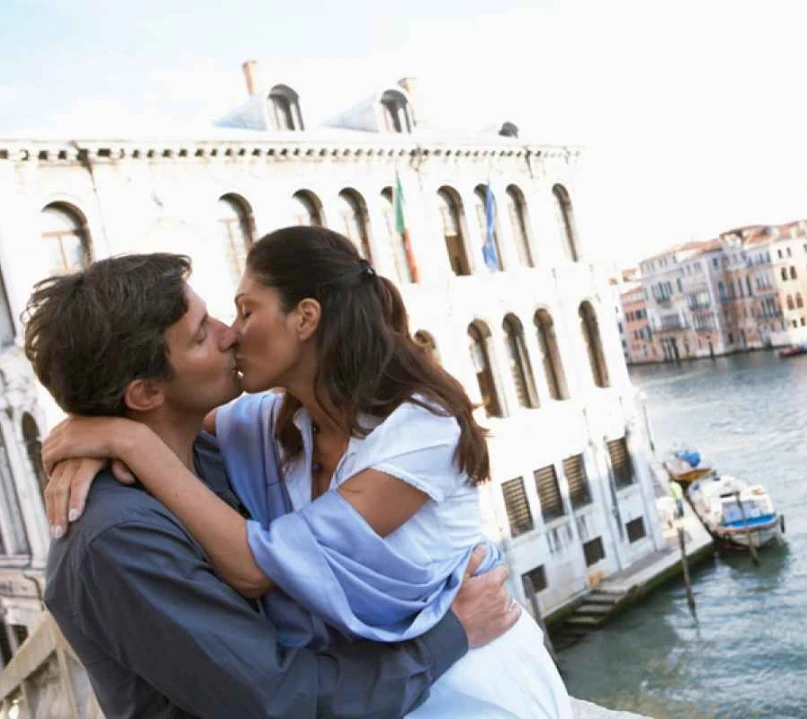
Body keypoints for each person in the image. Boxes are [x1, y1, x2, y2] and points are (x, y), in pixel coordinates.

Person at [43, 228, 572, 718]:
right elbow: (279, 698)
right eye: (203, 333)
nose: (230, 334)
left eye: (242, 312)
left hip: (473, 686)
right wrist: (112, 435)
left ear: (306, 319)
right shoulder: (121, 535)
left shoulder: (222, 449)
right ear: (145, 392)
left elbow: (258, 572)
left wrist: (119, 436)